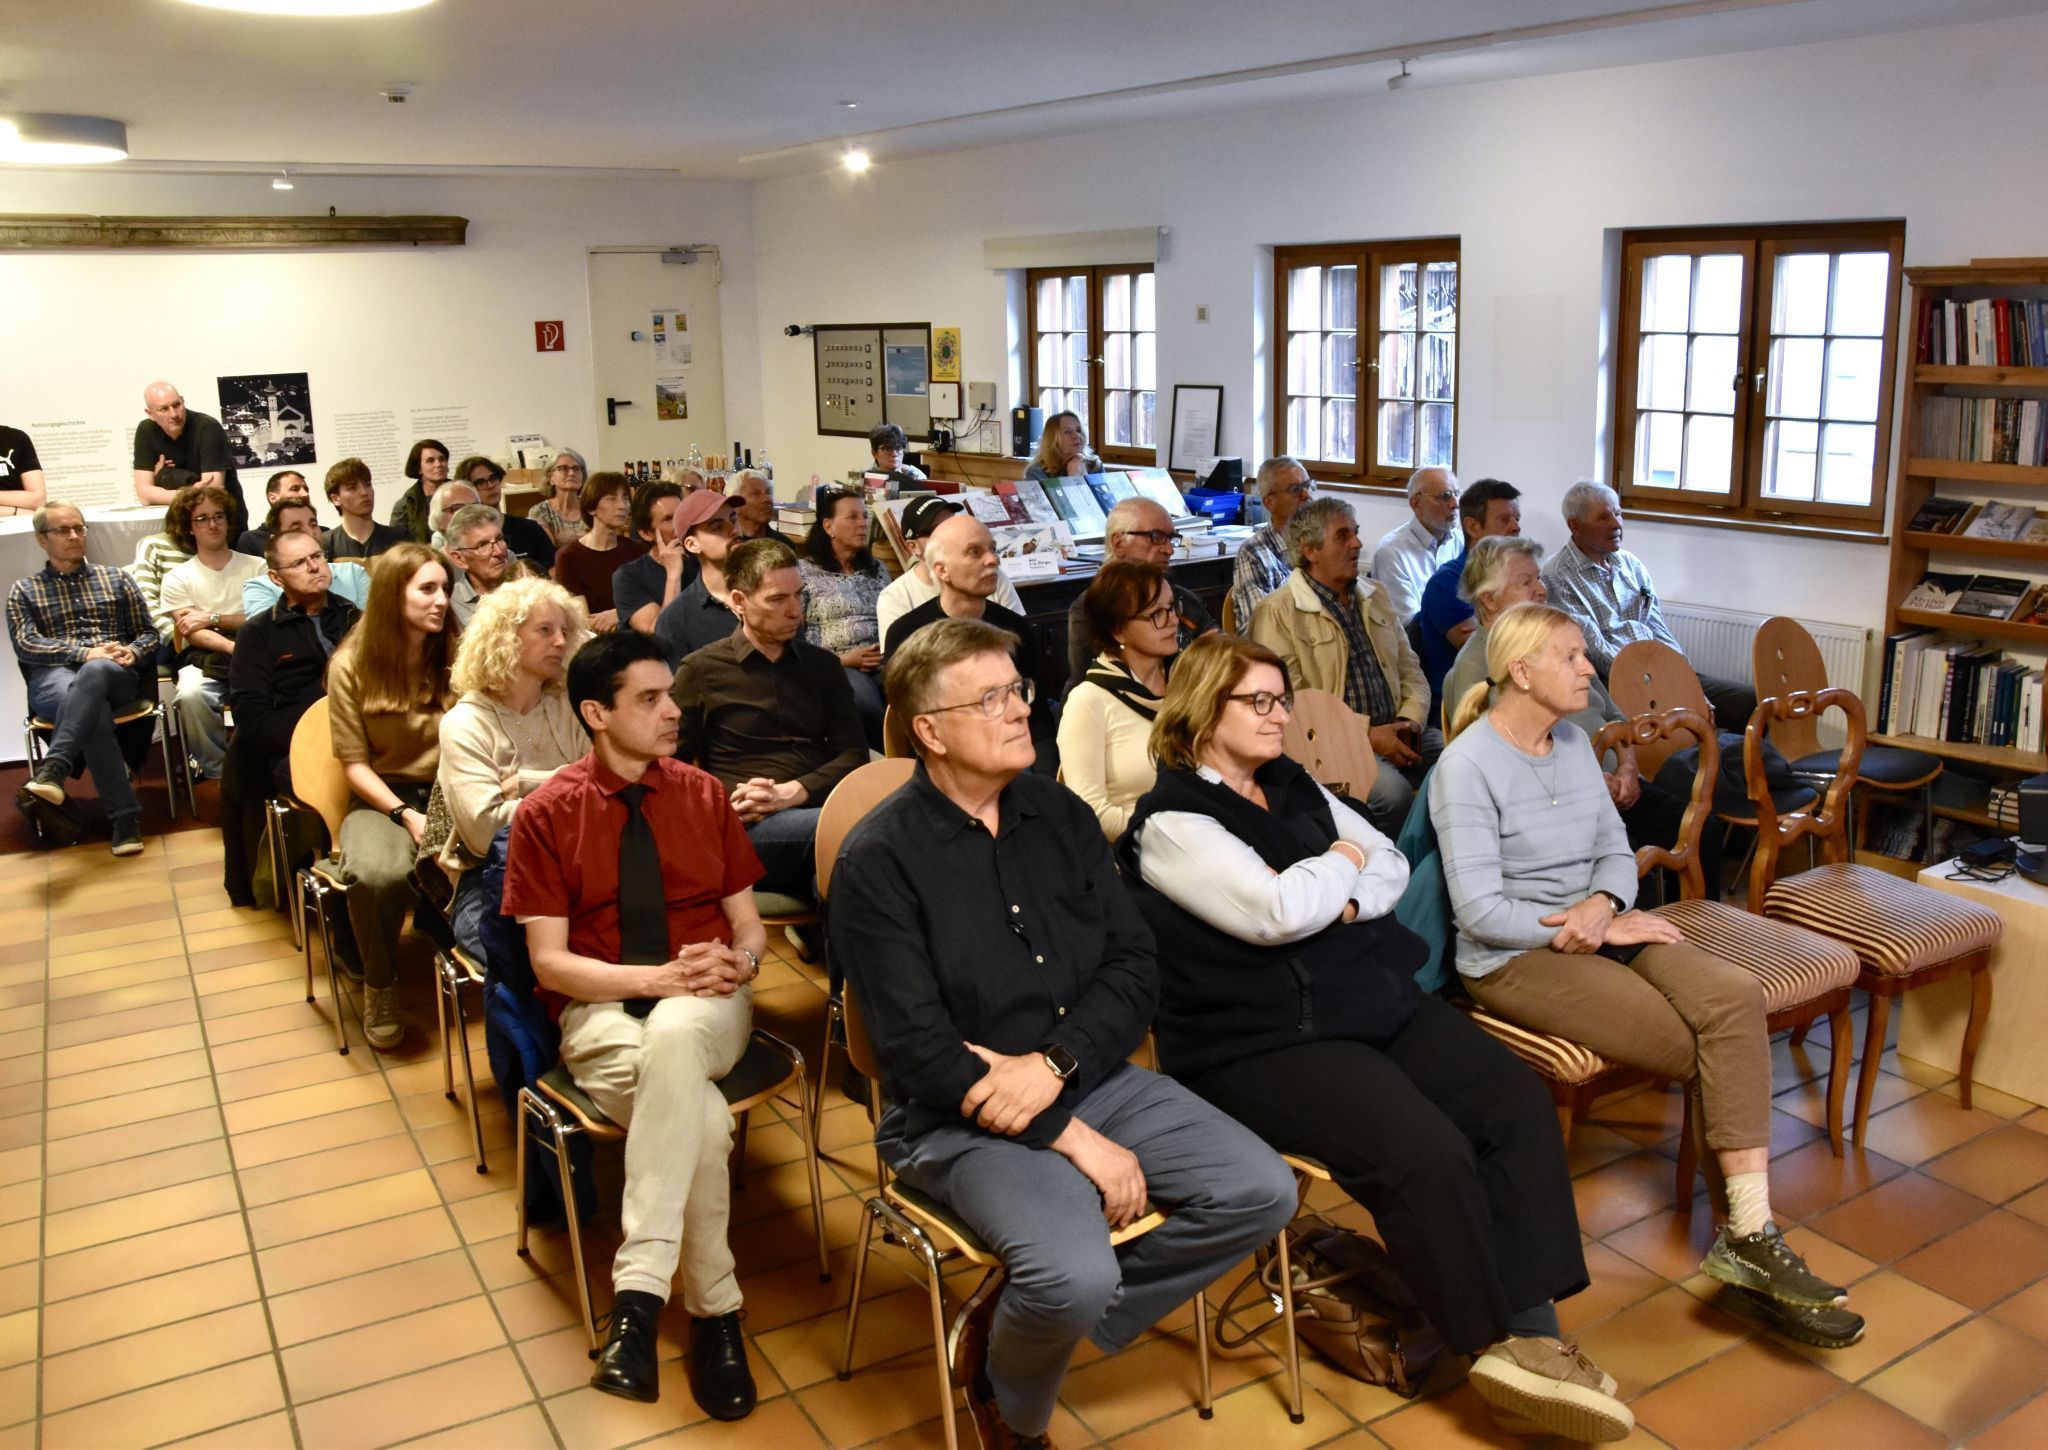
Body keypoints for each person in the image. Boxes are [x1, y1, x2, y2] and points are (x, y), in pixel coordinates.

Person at [1117, 634, 1632, 1443]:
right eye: (1258, 701)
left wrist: (1342, 889)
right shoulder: (1172, 822)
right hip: (1258, 1041)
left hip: (1367, 999)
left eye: (1281, 699)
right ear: (1202, 710)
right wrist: (1344, 859)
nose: (1279, 715)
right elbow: (1274, 912)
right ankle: (1490, 1340)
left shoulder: (1290, 784)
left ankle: (1532, 1336)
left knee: (1514, 1104)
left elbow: (1391, 868)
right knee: (1424, 1149)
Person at [828, 617, 1297, 1450]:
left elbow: (1132, 965)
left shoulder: (1058, 815)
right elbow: (916, 1052)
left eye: (1018, 690)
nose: (1018, 712)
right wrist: (1072, 1137)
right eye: (990, 699)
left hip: (1088, 1076)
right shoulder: (881, 860)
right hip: (956, 1118)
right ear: (929, 732)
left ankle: (1022, 1323)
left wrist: (1057, 1065)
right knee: (1072, 1270)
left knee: (1262, 1190)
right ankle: (1015, 1406)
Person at [1435, 604, 1864, 1343]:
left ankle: (1750, 1236)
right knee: (1693, 1044)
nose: (1589, 670)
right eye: (1570, 657)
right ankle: (1748, 1243)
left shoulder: (1572, 744)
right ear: (1520, 671)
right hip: (1514, 956)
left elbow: (1614, 848)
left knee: (1733, 1001)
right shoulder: (1465, 767)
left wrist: (1605, 904)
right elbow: (1479, 912)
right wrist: (1592, 923)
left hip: (1601, 927)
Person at [501, 630, 767, 1423]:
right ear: (596, 713)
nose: (671, 712)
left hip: (712, 1000)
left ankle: (638, 1301)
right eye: (648, 699)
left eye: (670, 694)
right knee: (704, 1124)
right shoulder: (548, 813)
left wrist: (741, 967)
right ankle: (717, 1311)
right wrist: (655, 978)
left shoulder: (702, 793)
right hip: (604, 1005)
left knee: (681, 1034)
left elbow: (747, 929)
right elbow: (550, 964)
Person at [1443, 538, 1686, 855]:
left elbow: (1616, 718)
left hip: (1619, 787)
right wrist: (1590, 782)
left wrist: (1627, 770)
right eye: (1527, 582)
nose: (1541, 590)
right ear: (1489, 599)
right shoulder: (1475, 666)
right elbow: (1501, 767)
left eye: (1539, 578)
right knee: (1626, 856)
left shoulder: (1557, 644)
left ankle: (1684, 906)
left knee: (1695, 827)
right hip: (1556, 809)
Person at [672, 538, 864, 902]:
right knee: (859, 831)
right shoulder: (701, 670)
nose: (795, 611)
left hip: (816, 803)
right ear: (739, 602)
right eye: (778, 599)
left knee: (849, 864)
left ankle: (825, 921)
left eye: (799, 596)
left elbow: (852, 752)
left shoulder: (822, 666)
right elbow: (671, 766)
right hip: (751, 822)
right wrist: (724, 802)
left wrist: (796, 791)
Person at [326, 543, 458, 1050]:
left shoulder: (456, 651)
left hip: (452, 788)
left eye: (444, 588)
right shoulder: (351, 664)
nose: (441, 600)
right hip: (385, 794)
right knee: (377, 876)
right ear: (390, 596)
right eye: (427, 589)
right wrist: (405, 814)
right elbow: (354, 765)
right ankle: (379, 983)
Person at [1248, 496, 1434, 832]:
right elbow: (1294, 704)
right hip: (1327, 743)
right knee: (1393, 795)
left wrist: (1410, 718)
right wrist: (1367, 735)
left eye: (1356, 532)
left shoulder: (1374, 594)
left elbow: (1411, 668)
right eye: (1343, 535)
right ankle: (1391, 874)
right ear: (1310, 550)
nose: (1357, 543)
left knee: (1461, 763)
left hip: (1398, 728)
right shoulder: (1278, 613)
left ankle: (1430, 868)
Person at [437, 577, 589, 957]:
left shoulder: (568, 706)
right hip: (494, 878)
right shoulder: (465, 722)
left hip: (576, 864)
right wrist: (572, 787)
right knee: (523, 958)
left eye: (564, 632)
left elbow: (605, 791)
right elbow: (485, 832)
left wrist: (525, 784)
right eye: (544, 630)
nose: (560, 641)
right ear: (506, 637)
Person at [7, 501, 159, 856]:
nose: (75, 536)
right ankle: (124, 819)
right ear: (42, 539)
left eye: (79, 528)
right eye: (63, 530)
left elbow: (149, 634)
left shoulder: (117, 578)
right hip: (53, 677)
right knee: (92, 709)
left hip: (114, 672)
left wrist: (131, 652)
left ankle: (54, 771)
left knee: (95, 674)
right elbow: (26, 644)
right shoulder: (24, 590)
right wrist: (82, 653)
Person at [1542, 481, 1759, 730]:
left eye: (1618, 513)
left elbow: (1658, 628)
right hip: (1620, 682)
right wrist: (1668, 688)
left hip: (1662, 671)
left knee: (1748, 702)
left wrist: (1684, 678)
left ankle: (1729, 764)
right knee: (1687, 724)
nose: (1616, 524)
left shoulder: (1630, 564)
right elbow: (1597, 652)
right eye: (1603, 517)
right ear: (1575, 525)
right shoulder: (1557, 575)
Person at [221, 530, 361, 907]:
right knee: (340, 783)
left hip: (363, 740)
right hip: (295, 749)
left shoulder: (355, 618)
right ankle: (343, 881)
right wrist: (312, 742)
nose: (314, 566)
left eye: (317, 556)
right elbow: (251, 719)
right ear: (275, 578)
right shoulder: (258, 633)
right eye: (299, 562)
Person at [1058, 560, 1176, 840]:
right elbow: (1091, 813)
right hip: (1135, 847)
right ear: (1118, 630)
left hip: (1204, 833)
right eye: (1156, 614)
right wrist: (1173, 834)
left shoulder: (1188, 680)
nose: (1172, 620)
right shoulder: (1089, 701)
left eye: (1171, 607)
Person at [158, 485, 266, 781]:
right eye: (202, 518)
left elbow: (262, 620)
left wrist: (212, 617)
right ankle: (219, 772)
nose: (213, 524)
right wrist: (232, 647)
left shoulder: (257, 567)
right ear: (188, 527)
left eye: (218, 516)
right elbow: (191, 632)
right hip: (204, 658)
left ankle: (264, 766)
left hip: (258, 654)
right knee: (192, 695)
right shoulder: (178, 578)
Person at [1064, 498, 1217, 686]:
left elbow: (1221, 655)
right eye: (1156, 536)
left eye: (1170, 538)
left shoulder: (1184, 599)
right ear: (1118, 543)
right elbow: (1090, 684)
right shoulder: (1091, 609)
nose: (1169, 549)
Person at [1416, 478, 1524, 715]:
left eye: (1517, 519)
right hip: (1463, 706)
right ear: (1473, 526)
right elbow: (1491, 649)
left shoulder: (1520, 576)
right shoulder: (1448, 582)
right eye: (1504, 520)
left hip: (1514, 694)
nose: (1515, 527)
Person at [798, 484, 889, 744]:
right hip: (837, 663)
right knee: (865, 704)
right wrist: (844, 660)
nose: (863, 524)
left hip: (883, 659)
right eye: (852, 517)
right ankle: (878, 770)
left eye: (865, 516)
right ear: (828, 527)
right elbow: (795, 638)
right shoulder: (804, 572)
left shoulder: (877, 569)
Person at [875, 495, 1024, 646]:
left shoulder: (992, 577)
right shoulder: (895, 598)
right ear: (913, 546)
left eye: (952, 522)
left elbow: (1019, 641)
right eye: (937, 529)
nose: (992, 560)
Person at [130, 381, 246, 530]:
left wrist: (164, 476)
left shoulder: (207, 427)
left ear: (183, 401)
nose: (173, 414)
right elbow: (145, 495)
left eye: (177, 405)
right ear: (150, 414)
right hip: (181, 526)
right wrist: (192, 491)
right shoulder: (145, 430)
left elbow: (212, 492)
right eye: (164, 409)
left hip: (222, 524)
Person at [651, 492, 742, 663]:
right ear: (692, 545)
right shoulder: (677, 618)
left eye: (734, 519)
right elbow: (672, 685)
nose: (734, 530)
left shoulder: (770, 592)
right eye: (717, 527)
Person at [242, 498, 368, 619]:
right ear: (275, 540)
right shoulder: (260, 587)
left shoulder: (353, 573)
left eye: (313, 524)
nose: (311, 533)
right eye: (296, 528)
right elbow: (269, 636)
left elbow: (374, 629)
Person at [1226, 456, 1314, 629]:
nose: (1307, 495)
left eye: (1308, 486)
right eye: (1296, 489)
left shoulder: (1322, 543)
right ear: (1269, 502)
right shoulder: (1253, 553)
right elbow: (1260, 629)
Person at [552, 471, 646, 632]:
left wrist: (619, 614)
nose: (622, 505)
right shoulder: (569, 557)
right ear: (591, 507)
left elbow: (653, 601)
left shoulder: (638, 550)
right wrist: (630, 612)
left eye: (625, 498)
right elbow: (582, 620)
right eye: (611, 498)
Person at [1370, 466, 1462, 623]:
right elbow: (1407, 623)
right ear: (1416, 504)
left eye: (1457, 494)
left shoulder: (1461, 541)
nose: (1455, 504)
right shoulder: (1392, 552)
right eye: (1445, 496)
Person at [125, 482, 201, 655]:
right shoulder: (154, 545)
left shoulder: (212, 549)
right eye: (200, 519)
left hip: (207, 632)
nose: (211, 525)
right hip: (168, 638)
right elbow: (146, 602)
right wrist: (180, 639)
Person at [611, 480, 692, 634]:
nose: (681, 524)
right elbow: (661, 635)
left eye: (682, 514)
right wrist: (674, 576)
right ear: (646, 533)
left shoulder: (704, 561)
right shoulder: (629, 577)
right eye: (669, 519)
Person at [457, 454, 556, 572]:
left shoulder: (530, 528)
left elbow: (553, 571)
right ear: (468, 490)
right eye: (480, 482)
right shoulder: (467, 538)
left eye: (493, 478)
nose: (490, 485)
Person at [445, 504, 535, 627]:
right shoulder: (450, 606)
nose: (498, 552)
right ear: (459, 559)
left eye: (499, 539)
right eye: (483, 545)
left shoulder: (529, 589)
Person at [323, 458, 407, 562]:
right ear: (335, 499)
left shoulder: (400, 538)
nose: (364, 492)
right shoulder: (326, 543)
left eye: (368, 484)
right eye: (352, 487)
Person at [235, 469, 309, 557]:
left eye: (306, 489)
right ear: (273, 498)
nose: (305, 494)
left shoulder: (323, 534)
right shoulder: (251, 540)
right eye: (295, 489)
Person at [389, 438, 451, 545]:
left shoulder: (463, 496)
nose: (438, 464)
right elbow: (397, 547)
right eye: (430, 461)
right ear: (419, 469)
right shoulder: (404, 505)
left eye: (442, 459)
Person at [529, 450, 590, 547]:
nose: (571, 473)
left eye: (576, 468)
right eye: (563, 468)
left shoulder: (592, 507)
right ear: (550, 478)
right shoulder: (540, 512)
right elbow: (548, 552)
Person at [1023, 409, 1100, 481]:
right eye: (1068, 432)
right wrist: (1074, 476)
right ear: (1053, 439)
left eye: (1078, 430)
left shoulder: (1094, 464)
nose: (1076, 436)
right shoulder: (1036, 472)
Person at [0, 421, 49, 516]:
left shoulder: (16, 438)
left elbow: (38, 500)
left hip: (20, 526)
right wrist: (15, 511)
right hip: (20, 516)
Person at [727, 469, 785, 545]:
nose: (766, 499)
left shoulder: (782, 545)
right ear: (736, 505)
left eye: (768, 492)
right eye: (755, 494)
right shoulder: (729, 547)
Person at [867, 422, 926, 486]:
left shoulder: (917, 476)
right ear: (874, 453)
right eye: (887, 449)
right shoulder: (867, 478)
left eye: (898, 448)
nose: (894, 454)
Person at [426, 480, 481, 549]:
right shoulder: (437, 559)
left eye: (475, 506)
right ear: (438, 520)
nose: (470, 513)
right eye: (457, 508)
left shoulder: (497, 551)